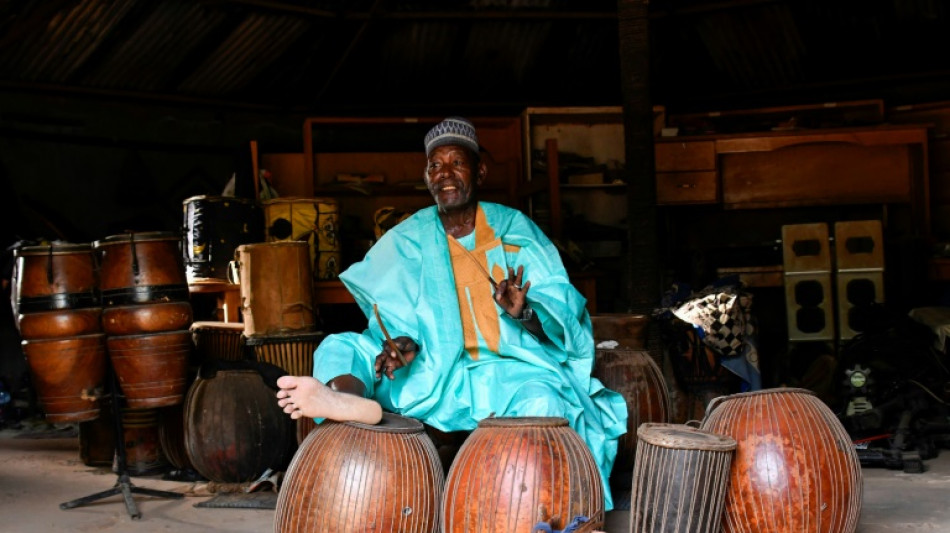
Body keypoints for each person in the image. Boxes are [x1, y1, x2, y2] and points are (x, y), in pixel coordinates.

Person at [276, 117, 627, 509]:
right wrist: (400, 344)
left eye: (456, 163)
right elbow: (391, 321)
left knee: (545, 401)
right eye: (435, 166)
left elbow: (565, 325)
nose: (445, 174)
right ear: (426, 176)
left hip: (506, 370)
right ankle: (346, 401)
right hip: (431, 373)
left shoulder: (512, 228)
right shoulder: (409, 236)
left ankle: (533, 507)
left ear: (479, 171)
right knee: (340, 345)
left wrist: (524, 312)